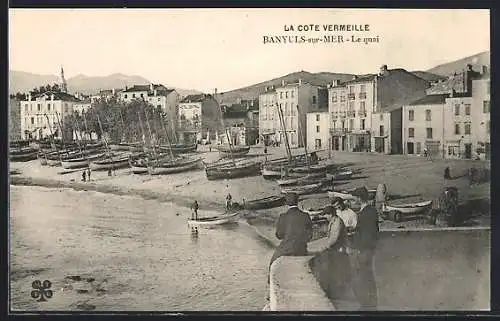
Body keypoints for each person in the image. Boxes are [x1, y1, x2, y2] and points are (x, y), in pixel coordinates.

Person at [316, 197, 357, 300]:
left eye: (326, 215)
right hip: (337, 251)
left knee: (340, 273)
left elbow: (334, 238)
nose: (325, 217)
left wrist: (324, 247)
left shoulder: (337, 222)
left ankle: (340, 295)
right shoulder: (334, 221)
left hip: (340, 252)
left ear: (330, 214)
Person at [346, 187, 379, 311]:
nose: (353, 201)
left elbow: (367, 233)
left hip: (364, 249)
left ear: (359, 198)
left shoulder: (365, 213)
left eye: (354, 199)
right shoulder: (371, 211)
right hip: (369, 248)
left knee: (364, 276)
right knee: (367, 275)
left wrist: (357, 247)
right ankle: (370, 304)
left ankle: (367, 305)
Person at [268, 192, 313, 279]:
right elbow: (310, 236)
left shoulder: (283, 216)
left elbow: (279, 235)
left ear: (286, 203)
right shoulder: (305, 215)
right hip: (301, 248)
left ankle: (270, 281)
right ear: (297, 201)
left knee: (272, 263)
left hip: (287, 248)